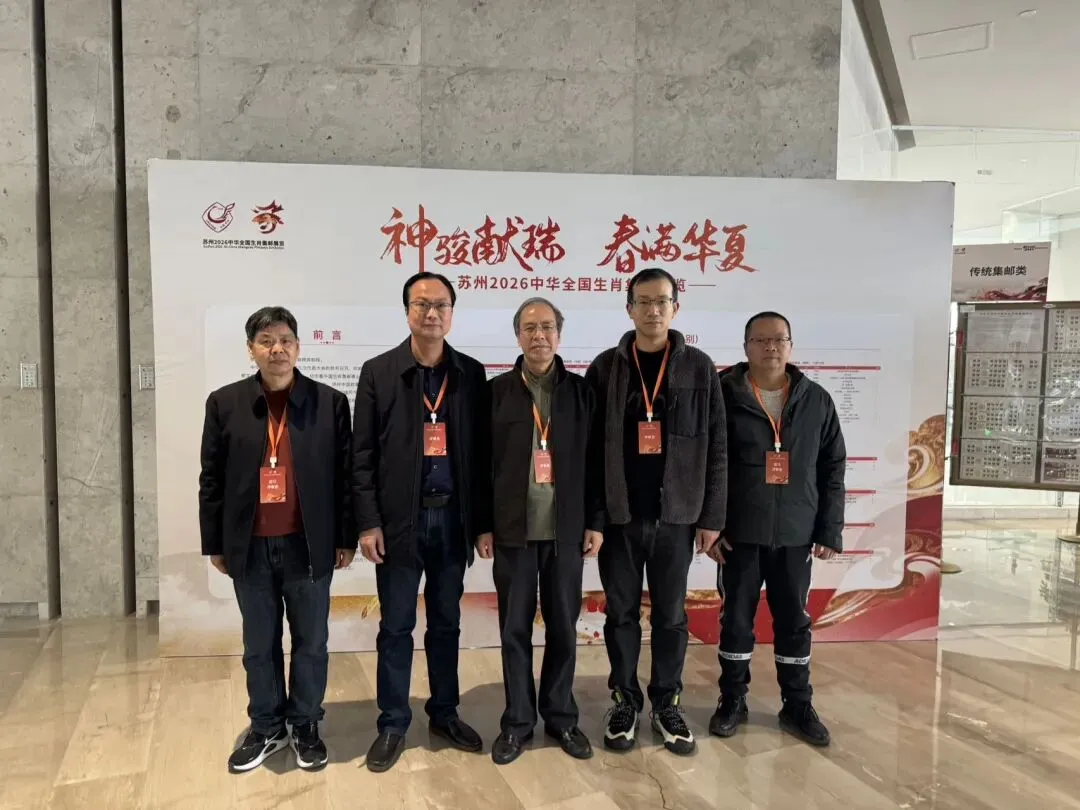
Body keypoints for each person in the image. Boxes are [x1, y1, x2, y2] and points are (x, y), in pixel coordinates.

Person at [198, 306, 354, 774]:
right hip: (249, 548)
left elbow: (345, 478)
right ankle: (266, 726)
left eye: (285, 340)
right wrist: (215, 543)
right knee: (259, 644)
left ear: (299, 347)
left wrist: (344, 537)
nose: (277, 349)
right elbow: (211, 479)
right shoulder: (224, 403)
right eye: (266, 341)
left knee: (311, 642)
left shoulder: (329, 403)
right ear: (251, 350)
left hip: (308, 546)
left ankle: (305, 725)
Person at [585, 267, 727, 756]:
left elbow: (717, 446)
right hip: (620, 518)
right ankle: (624, 701)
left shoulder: (700, 368)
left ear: (675, 308)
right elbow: (590, 451)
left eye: (661, 301)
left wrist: (711, 517)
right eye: (643, 301)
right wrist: (595, 518)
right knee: (621, 614)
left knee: (670, 616)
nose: (653, 310)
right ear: (629, 309)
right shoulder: (606, 368)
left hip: (677, 518)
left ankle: (667, 702)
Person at [352, 272, 491, 773]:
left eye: (441, 305)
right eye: (422, 304)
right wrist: (368, 522)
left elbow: (482, 456)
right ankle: (392, 722)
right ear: (407, 311)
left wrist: (483, 523)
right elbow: (362, 455)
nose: (432, 313)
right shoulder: (379, 372)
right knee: (396, 626)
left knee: (447, 623)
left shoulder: (471, 373)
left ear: (452, 312)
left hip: (453, 521)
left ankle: (444, 713)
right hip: (398, 525)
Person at [708, 311, 846, 747]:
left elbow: (833, 466)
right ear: (745, 346)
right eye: (761, 340)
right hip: (739, 535)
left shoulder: (816, 400)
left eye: (779, 339)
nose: (771, 347)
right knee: (736, 621)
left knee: (794, 622)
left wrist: (829, 529)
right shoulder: (722, 395)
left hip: (795, 534)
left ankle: (797, 705)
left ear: (791, 345)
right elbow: (707, 464)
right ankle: (733, 699)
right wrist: (711, 526)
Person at [481, 297, 605, 766]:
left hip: (566, 532)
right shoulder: (495, 393)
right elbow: (480, 467)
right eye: (530, 328)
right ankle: (516, 722)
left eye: (547, 327)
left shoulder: (581, 393)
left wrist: (595, 521)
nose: (539, 336)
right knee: (514, 629)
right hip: (512, 531)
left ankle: (561, 717)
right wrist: (482, 526)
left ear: (559, 334)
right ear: (518, 336)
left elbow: (596, 463)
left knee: (563, 627)